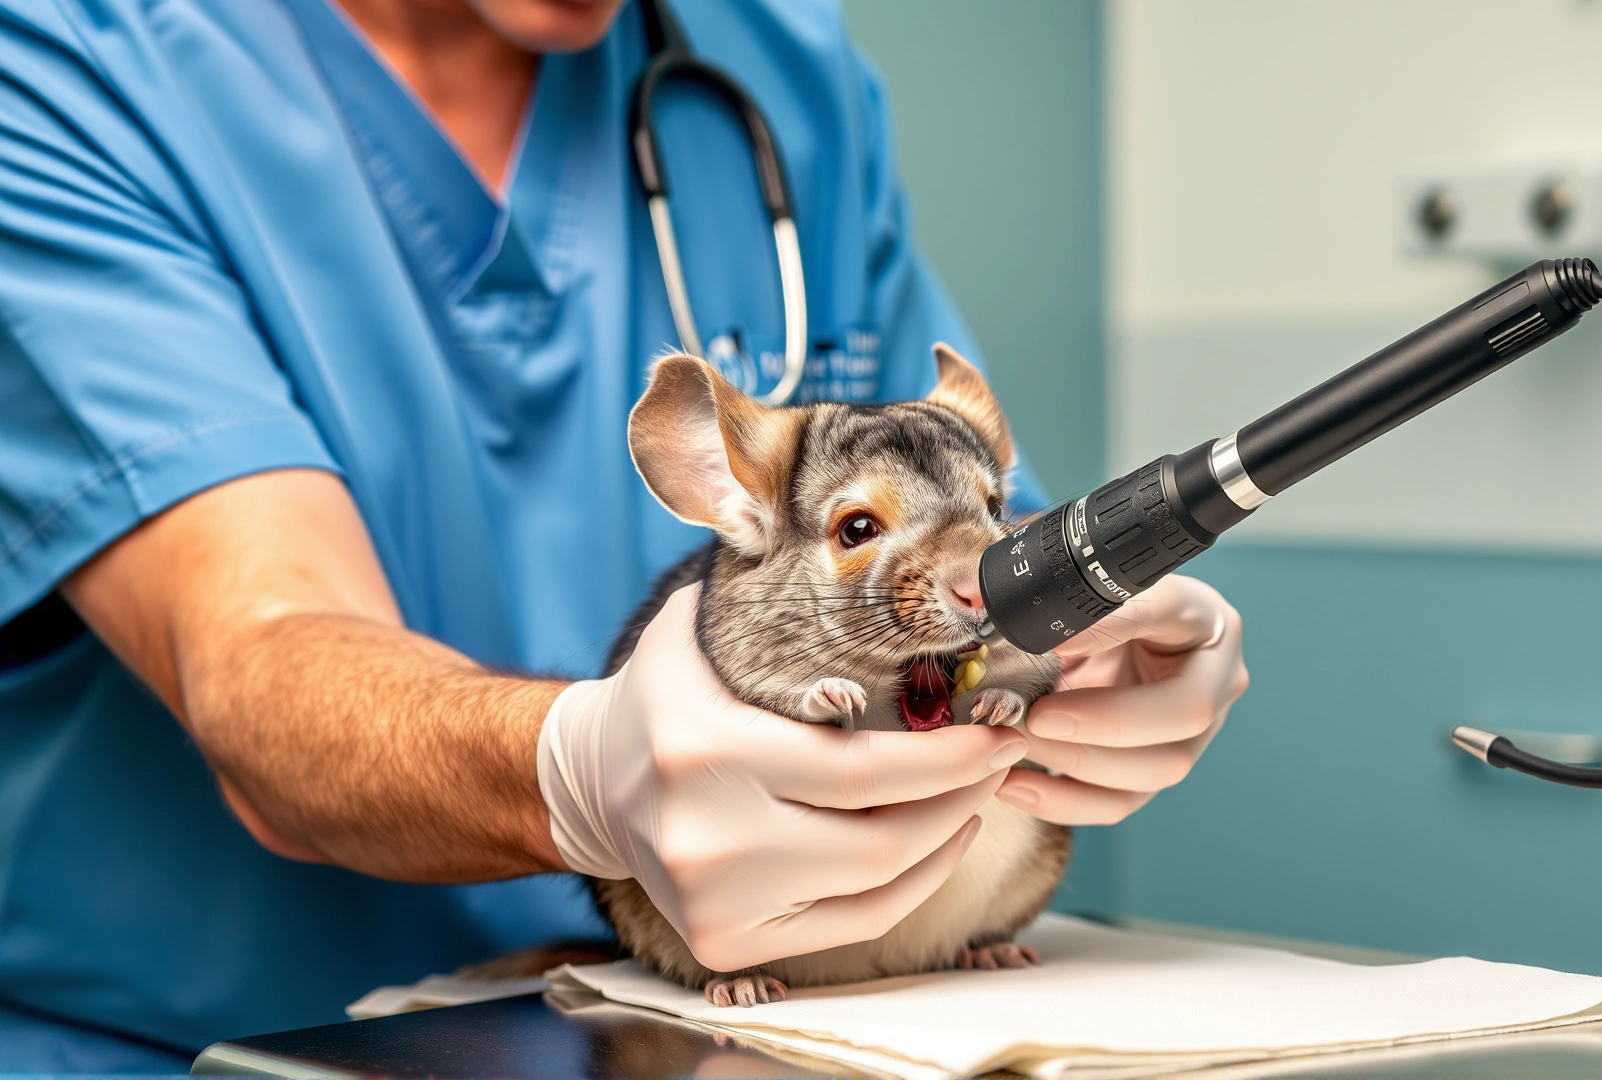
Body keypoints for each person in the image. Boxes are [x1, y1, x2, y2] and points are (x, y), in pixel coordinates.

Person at [0, 0, 1248, 1069]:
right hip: (225, 1052)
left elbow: (951, 501)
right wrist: (580, 766)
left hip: (731, 1041)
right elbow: (262, 651)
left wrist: (1087, 609)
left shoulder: (770, 62)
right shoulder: (75, 71)